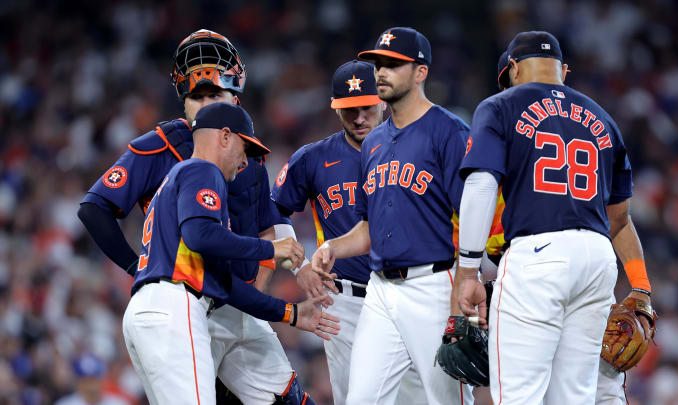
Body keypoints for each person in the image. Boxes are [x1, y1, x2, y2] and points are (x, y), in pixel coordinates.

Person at [77, 29, 321, 404]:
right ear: (184, 102)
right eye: (198, 96)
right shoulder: (163, 147)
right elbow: (95, 209)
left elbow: (266, 219)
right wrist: (137, 268)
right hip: (185, 301)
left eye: (216, 95)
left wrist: (273, 293)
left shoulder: (245, 151)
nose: (206, 104)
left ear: (234, 100)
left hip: (230, 298)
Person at [454, 31, 654, 404]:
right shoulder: (603, 117)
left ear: (512, 68)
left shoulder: (500, 106)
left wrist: (467, 273)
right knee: (575, 397)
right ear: (563, 70)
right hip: (597, 257)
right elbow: (620, 219)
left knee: (518, 396)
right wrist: (640, 285)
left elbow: (481, 186)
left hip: (538, 252)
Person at [122, 102, 338, 404]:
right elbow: (201, 236)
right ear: (224, 136)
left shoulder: (177, 181)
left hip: (153, 308)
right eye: (243, 146)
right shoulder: (202, 170)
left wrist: (290, 312)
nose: (246, 161)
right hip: (174, 306)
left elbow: (224, 283)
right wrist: (269, 248)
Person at [310, 27, 473, 404]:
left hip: (433, 285)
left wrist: (467, 282)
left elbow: (472, 218)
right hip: (380, 292)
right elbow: (368, 227)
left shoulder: (449, 132)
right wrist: (333, 246)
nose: (381, 72)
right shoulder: (375, 142)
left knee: (446, 400)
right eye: (379, 64)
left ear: (421, 72)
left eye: (393, 64)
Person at [271, 59, 424, 405]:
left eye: (366, 107)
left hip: (412, 293)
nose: (359, 118)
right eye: (349, 109)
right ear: (334, 108)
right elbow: (272, 210)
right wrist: (300, 266)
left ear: (382, 99)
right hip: (347, 303)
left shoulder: (418, 148)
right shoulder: (313, 159)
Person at [54, 353, 130, 405]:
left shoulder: (119, 403)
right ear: (78, 383)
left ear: (102, 380)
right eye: (86, 381)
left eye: (94, 380)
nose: (91, 387)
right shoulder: (64, 403)